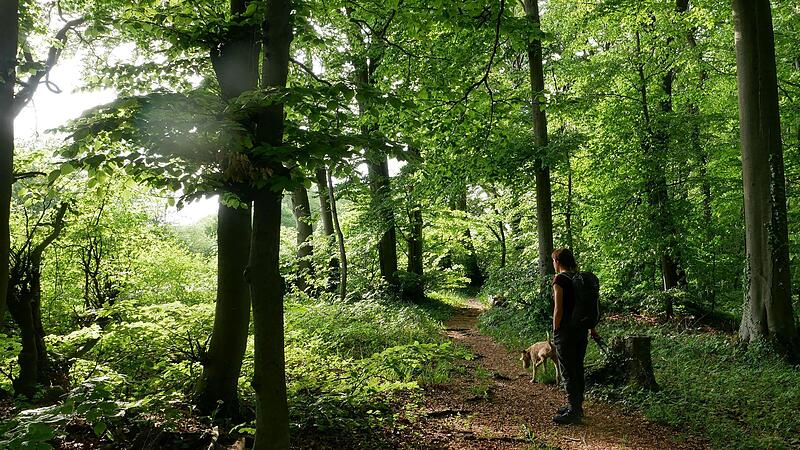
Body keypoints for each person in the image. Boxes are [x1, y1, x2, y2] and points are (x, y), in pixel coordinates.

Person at [550, 248, 598, 425]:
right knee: (577, 367)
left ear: (558, 261)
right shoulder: (579, 278)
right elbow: (586, 305)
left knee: (568, 370)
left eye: (553, 261)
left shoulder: (560, 279)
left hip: (566, 331)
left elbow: (558, 308)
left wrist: (556, 329)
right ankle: (577, 406)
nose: (553, 264)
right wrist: (591, 328)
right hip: (581, 329)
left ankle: (573, 411)